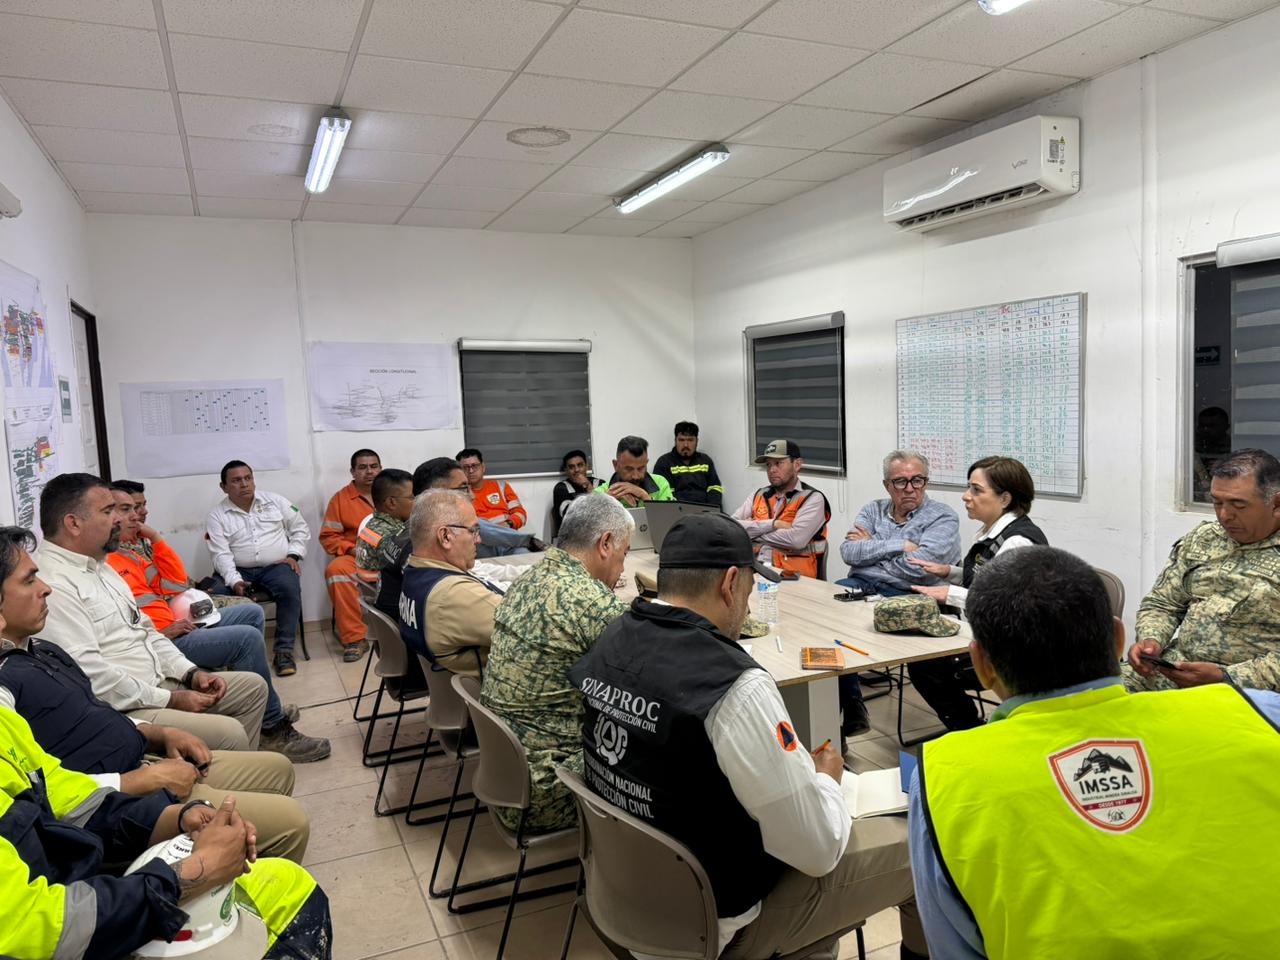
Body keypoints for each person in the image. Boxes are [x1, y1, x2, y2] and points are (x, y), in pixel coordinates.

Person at [570, 513, 926, 960]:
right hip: (712, 925)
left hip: (626, 899)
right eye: (751, 590)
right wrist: (826, 779)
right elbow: (817, 851)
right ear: (731, 583)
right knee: (924, 842)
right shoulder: (734, 686)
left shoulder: (613, 638)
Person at [909, 545, 1280, 959]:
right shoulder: (1260, 713)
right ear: (1119, 639)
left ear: (981, 664)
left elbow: (955, 950)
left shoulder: (943, 776)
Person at [0, 527, 311, 861]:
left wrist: (159, 732)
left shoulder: (42, 649)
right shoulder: (6, 687)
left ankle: (240, 855)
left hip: (144, 758)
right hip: (121, 802)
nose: (44, 588)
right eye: (29, 581)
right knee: (290, 821)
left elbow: (98, 707)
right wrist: (141, 779)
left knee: (279, 769)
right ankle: (232, 864)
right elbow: (44, 795)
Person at [0, 707, 333, 960]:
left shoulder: (5, 723)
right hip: (78, 933)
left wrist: (178, 817)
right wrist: (191, 874)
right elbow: (31, 927)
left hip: (91, 898)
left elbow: (75, 801)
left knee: (287, 884)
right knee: (287, 900)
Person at [36, 473, 268, 753]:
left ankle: (223, 766)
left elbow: (146, 630)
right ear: (73, 523)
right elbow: (92, 678)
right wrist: (170, 699)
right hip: (125, 707)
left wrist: (190, 673)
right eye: (108, 511)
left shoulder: (100, 566)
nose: (119, 520)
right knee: (229, 733)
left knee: (253, 688)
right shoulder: (54, 585)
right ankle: (216, 770)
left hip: (158, 681)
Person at [106, 492, 330, 763]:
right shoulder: (104, 567)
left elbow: (176, 584)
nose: (136, 516)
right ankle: (271, 727)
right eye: (125, 509)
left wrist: (155, 538)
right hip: (165, 639)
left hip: (175, 624)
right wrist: (161, 633)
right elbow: (121, 630)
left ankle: (260, 706)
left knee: (252, 612)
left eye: (137, 508)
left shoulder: (129, 554)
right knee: (246, 638)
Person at [482, 494, 632, 835]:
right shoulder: (589, 601)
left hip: (506, 776)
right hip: (548, 791)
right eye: (623, 555)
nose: (622, 568)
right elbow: (660, 668)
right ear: (605, 543)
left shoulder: (529, 579)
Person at [904, 456, 1047, 731]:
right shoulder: (993, 532)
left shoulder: (1018, 542)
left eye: (976, 490)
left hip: (1012, 649)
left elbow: (1003, 603)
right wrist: (950, 572)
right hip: (984, 632)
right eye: (969, 487)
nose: (966, 496)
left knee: (926, 665)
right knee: (923, 652)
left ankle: (968, 728)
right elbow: (988, 577)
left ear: (1004, 499)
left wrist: (949, 594)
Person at [1127, 447, 1280, 692]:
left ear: (1276, 503)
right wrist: (1151, 640)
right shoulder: (1204, 538)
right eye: (1217, 503)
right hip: (1173, 668)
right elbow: (1163, 603)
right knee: (1092, 695)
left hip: (1248, 690)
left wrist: (1225, 677)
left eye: (1238, 505)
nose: (1224, 515)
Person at [835, 450, 961, 740]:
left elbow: (919, 569)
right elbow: (848, 551)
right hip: (862, 583)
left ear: (926, 482)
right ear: (887, 485)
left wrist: (873, 548)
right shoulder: (873, 509)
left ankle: (964, 723)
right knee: (828, 624)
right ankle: (852, 706)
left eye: (917, 480)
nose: (910, 488)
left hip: (912, 594)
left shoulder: (942, 516)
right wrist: (900, 544)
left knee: (853, 624)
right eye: (900, 482)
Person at [205, 460, 310, 675]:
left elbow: (300, 528)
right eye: (236, 480)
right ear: (223, 487)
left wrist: (293, 555)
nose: (244, 484)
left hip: (276, 566)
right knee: (212, 594)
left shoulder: (275, 501)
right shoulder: (217, 515)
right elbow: (221, 554)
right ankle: (230, 654)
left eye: (248, 478)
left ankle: (284, 651)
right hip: (238, 569)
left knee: (289, 587)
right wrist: (235, 581)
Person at [397, 491, 503, 678]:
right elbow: (539, 629)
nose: (478, 539)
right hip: (485, 689)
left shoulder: (415, 573)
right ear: (445, 536)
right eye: (473, 531)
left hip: (449, 687)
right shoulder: (455, 594)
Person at [731, 439, 830, 578]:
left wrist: (751, 531)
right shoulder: (758, 495)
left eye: (778, 463)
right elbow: (731, 527)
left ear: (797, 465)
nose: (772, 470)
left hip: (793, 576)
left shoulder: (812, 498)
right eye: (768, 464)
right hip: (754, 571)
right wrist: (773, 524)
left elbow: (796, 540)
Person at [320, 448, 380, 663]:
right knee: (336, 570)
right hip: (358, 556)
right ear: (353, 472)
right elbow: (328, 537)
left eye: (374, 466)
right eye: (362, 467)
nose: (369, 472)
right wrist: (352, 549)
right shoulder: (340, 499)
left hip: (393, 555)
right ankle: (355, 639)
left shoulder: (393, 491)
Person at [458, 447, 530, 552]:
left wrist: (508, 524)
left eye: (474, 466)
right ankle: (529, 541)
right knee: (478, 523)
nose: (471, 471)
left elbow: (521, 514)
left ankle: (528, 542)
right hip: (481, 545)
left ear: (483, 467)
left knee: (524, 554)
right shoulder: (459, 495)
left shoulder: (501, 486)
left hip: (507, 540)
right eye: (466, 467)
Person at [355, 467, 414, 587]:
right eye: (412, 497)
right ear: (391, 503)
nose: (417, 502)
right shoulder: (392, 535)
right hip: (387, 594)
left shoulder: (373, 523)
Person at [653, 421, 724, 507]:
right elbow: (665, 496)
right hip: (678, 511)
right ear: (675, 441)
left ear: (697, 441)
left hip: (705, 510)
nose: (686, 445)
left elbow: (715, 487)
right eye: (681, 440)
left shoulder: (705, 461)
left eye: (690, 440)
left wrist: (711, 508)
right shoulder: (664, 463)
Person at [594, 435, 675, 505]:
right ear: (616, 465)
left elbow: (671, 517)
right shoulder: (600, 494)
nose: (635, 476)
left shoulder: (660, 483)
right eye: (629, 469)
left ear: (646, 463)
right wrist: (606, 502)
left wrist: (645, 496)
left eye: (641, 468)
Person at [551, 449, 599, 537]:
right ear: (566, 470)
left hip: (599, 533)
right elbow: (571, 515)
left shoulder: (599, 483)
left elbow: (607, 510)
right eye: (571, 467)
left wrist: (588, 486)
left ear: (587, 466)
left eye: (580, 465)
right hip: (573, 537)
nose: (576, 470)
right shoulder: (561, 488)